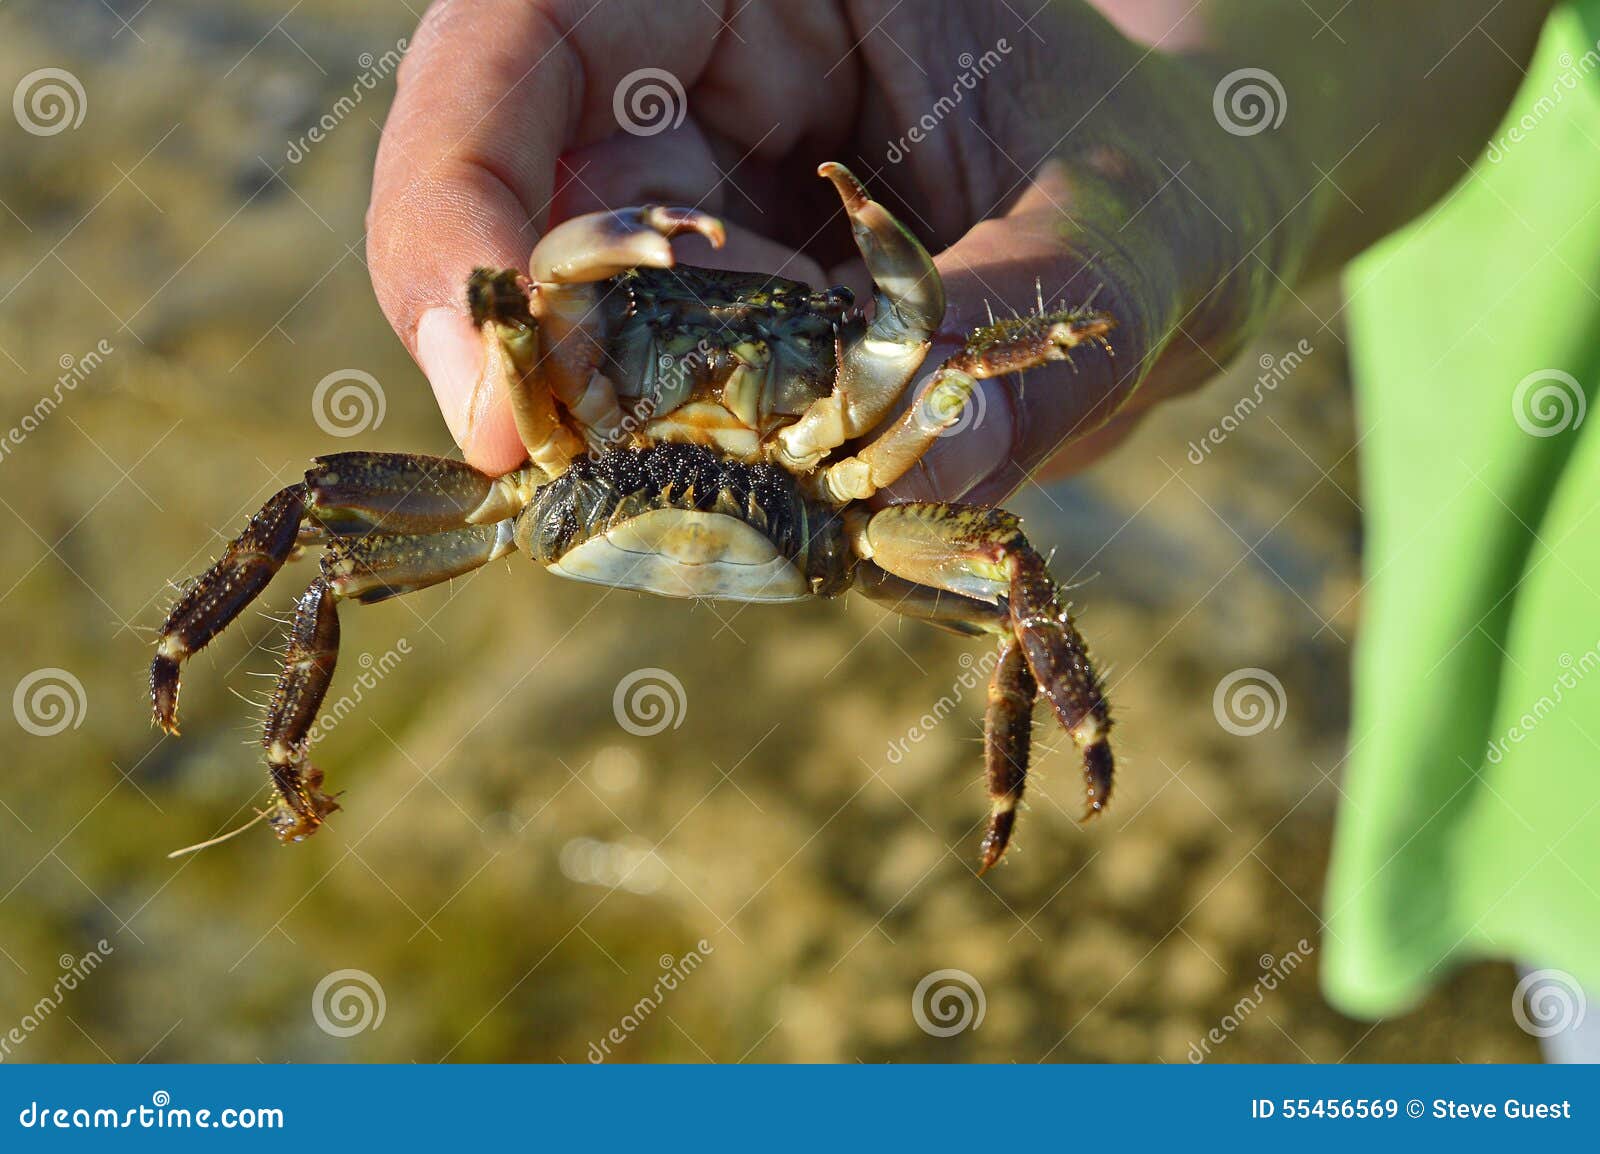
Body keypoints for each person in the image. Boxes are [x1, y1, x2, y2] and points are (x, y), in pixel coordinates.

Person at [369, 1, 1600, 1052]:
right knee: (328, 511)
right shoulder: (553, 397)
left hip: (1562, 780)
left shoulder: (861, 426)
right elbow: (495, 302)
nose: (719, 365)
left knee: (1006, 573)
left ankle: (1021, 783)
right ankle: (247, 730)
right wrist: (1215, 145)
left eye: (768, 344)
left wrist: (1076, 296)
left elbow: (944, 378)